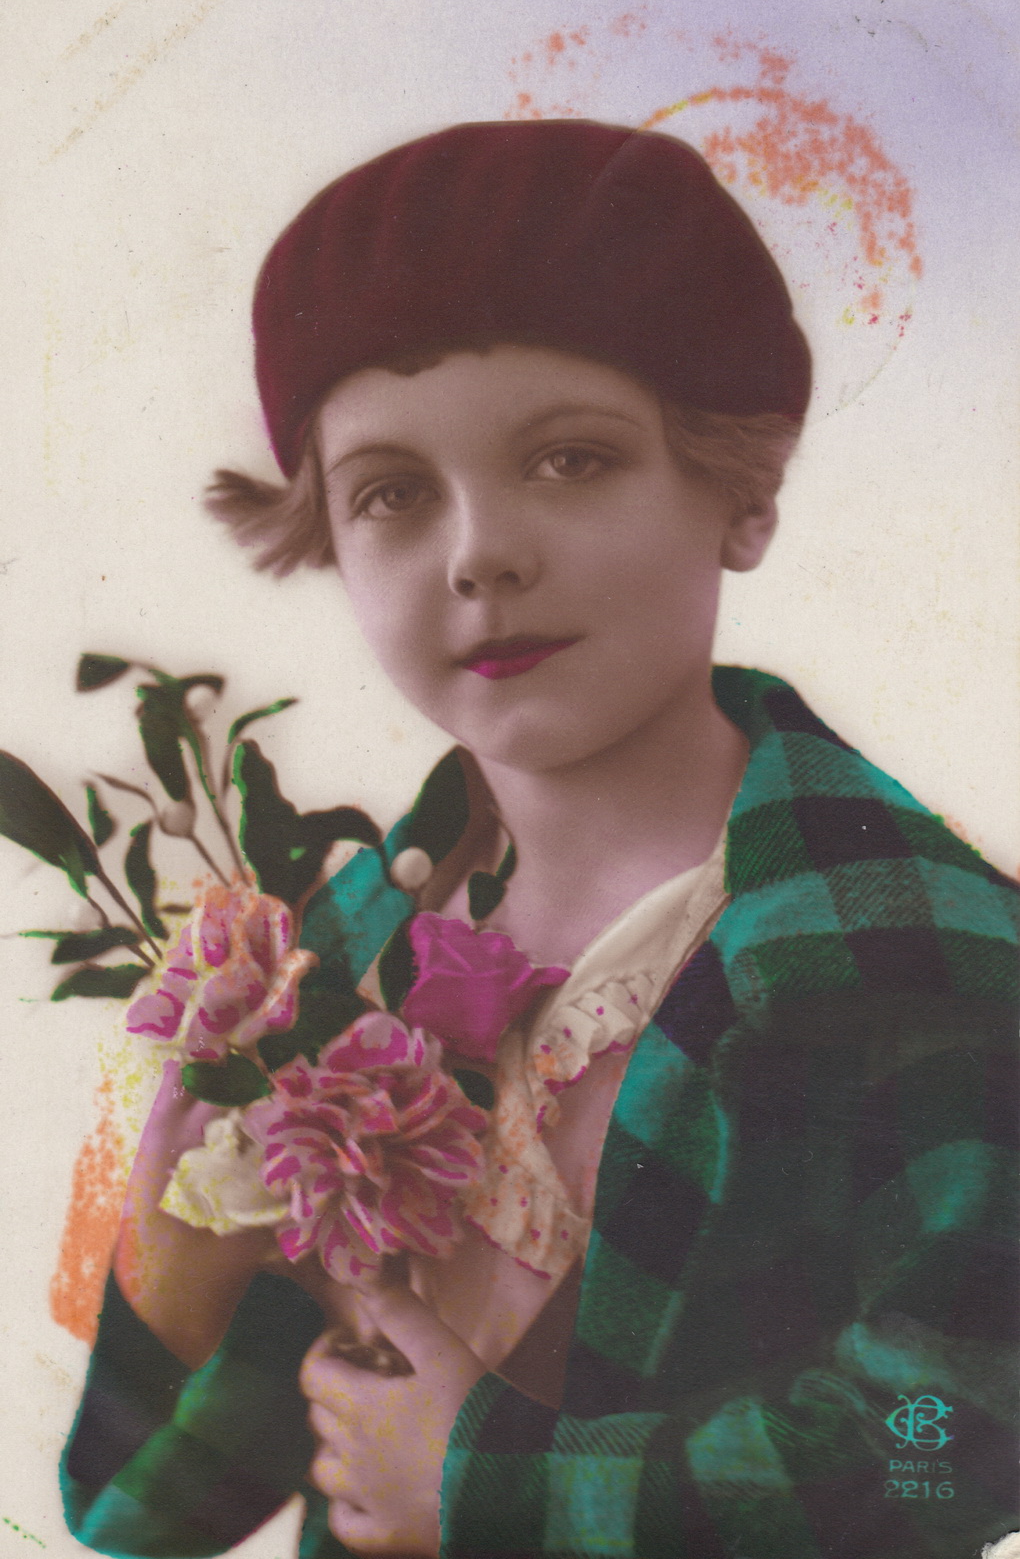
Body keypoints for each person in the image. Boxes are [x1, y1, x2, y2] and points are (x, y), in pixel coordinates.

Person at [61, 121, 1018, 1559]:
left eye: (571, 460)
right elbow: (137, 1522)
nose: (479, 553)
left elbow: (963, 1447)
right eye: (393, 492)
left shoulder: (906, 948)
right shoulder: (351, 951)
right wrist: (175, 1276)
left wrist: (491, 1487)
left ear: (742, 489)